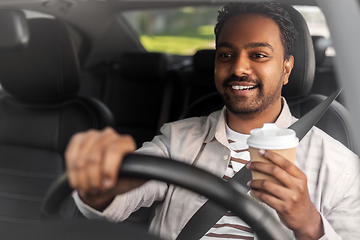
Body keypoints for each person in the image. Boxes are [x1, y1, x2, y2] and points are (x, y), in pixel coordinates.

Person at [66, 3, 360, 240]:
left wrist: (309, 224)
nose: (239, 67)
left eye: (258, 55)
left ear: (287, 68)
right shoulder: (177, 139)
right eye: (226, 54)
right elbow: (121, 197)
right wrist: (103, 182)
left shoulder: (340, 166)